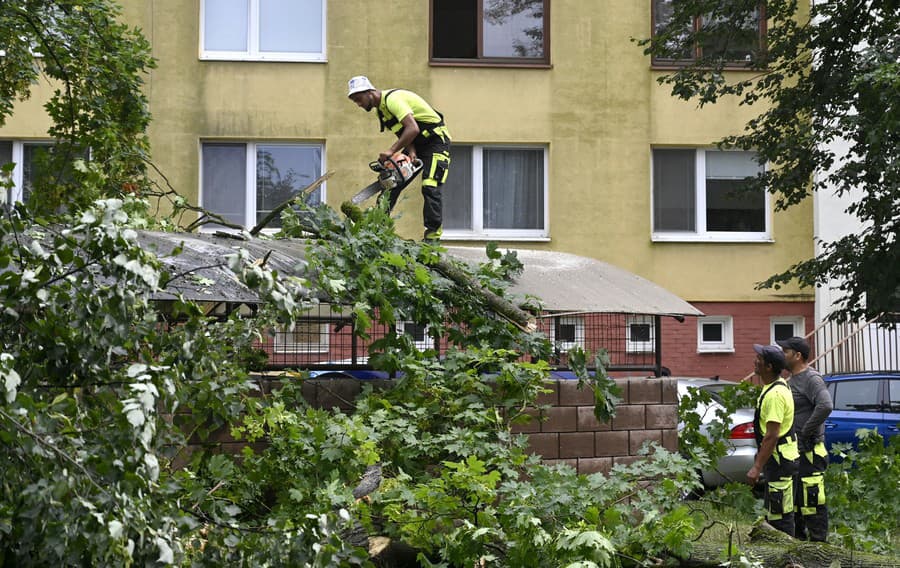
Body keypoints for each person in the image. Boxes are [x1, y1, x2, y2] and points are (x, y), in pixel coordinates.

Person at [347, 75, 451, 240]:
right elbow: (402, 132)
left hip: (435, 141)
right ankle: (377, 228)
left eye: (359, 99)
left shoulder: (392, 100)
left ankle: (432, 236)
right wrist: (411, 152)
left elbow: (413, 128)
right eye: (356, 102)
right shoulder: (381, 113)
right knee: (391, 183)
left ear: (369, 92)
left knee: (430, 185)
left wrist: (391, 151)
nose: (359, 104)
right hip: (416, 145)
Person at [776, 336, 833, 542]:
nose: (782, 355)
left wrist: (806, 431)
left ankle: (819, 546)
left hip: (810, 451)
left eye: (785, 352)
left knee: (812, 500)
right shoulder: (790, 380)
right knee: (796, 501)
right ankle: (798, 545)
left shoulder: (811, 378)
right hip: (794, 451)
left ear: (797, 355)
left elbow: (825, 405)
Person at [747, 343, 799, 537]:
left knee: (780, 518)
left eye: (759, 359)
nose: (755, 361)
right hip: (782, 459)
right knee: (775, 513)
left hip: (780, 462)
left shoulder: (775, 395)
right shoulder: (775, 386)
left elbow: (772, 435)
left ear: (768, 367)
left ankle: (789, 561)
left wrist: (756, 467)